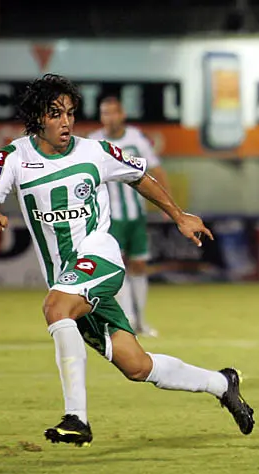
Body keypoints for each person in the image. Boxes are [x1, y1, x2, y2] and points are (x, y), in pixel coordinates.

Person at [0, 74, 254, 447]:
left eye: (70, 113)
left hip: (99, 256)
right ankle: (222, 384)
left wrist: (179, 215)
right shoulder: (14, 156)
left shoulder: (96, 152)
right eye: (56, 114)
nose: (66, 122)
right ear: (37, 117)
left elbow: (142, 176)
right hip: (66, 277)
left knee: (56, 309)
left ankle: (76, 418)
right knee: (136, 366)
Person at [88, 96, 171, 338]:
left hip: (136, 215)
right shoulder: (94, 141)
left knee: (139, 266)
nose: (110, 118)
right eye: (105, 113)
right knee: (118, 266)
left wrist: (167, 205)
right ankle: (129, 320)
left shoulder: (135, 138)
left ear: (122, 114)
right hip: (110, 217)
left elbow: (155, 169)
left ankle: (142, 321)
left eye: (114, 112)